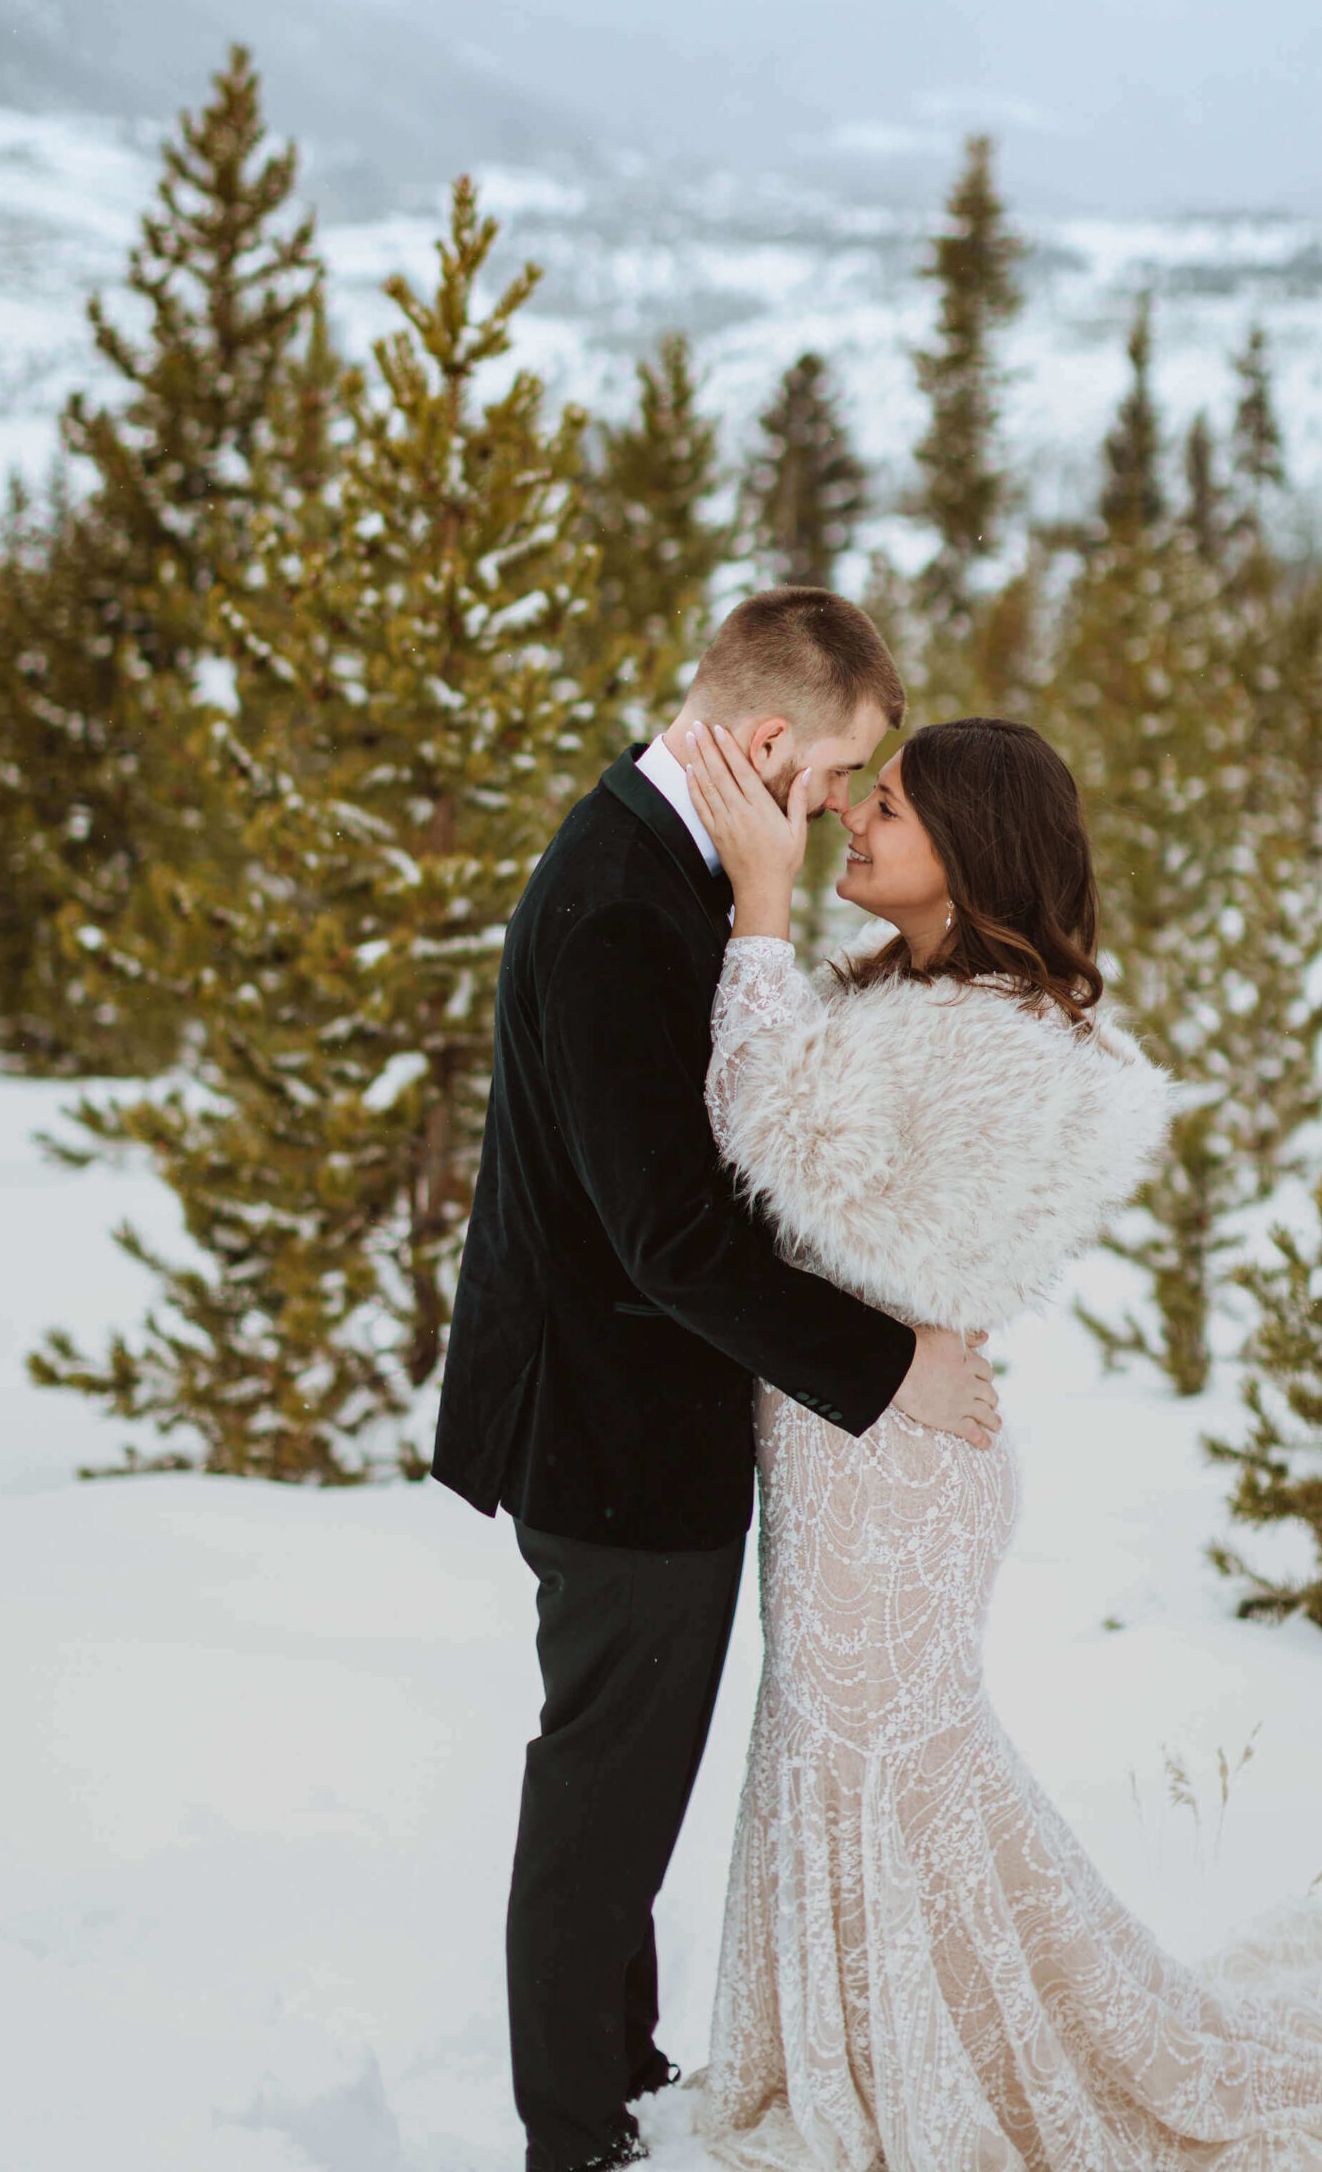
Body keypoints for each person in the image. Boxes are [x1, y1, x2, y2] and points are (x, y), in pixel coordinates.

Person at [685, 713, 1322, 2172]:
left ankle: (928, 2065)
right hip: (851, 1443)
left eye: (887, 810)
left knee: (877, 1763)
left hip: (893, 1473)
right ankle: (857, 2040)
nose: (858, 823)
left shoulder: (997, 1041)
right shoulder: (901, 996)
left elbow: (779, 1146)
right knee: (844, 1755)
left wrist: (757, 913)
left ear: (965, 860)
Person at [431, 589, 1001, 2172]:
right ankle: (573, 2136)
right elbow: (670, 1236)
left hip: (634, 1422)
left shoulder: (662, 851)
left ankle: (617, 2079)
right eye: (832, 778)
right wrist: (888, 1367)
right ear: (764, 744)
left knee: (619, 1795)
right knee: (603, 1803)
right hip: (610, 1438)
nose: (830, 812)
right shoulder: (625, 902)